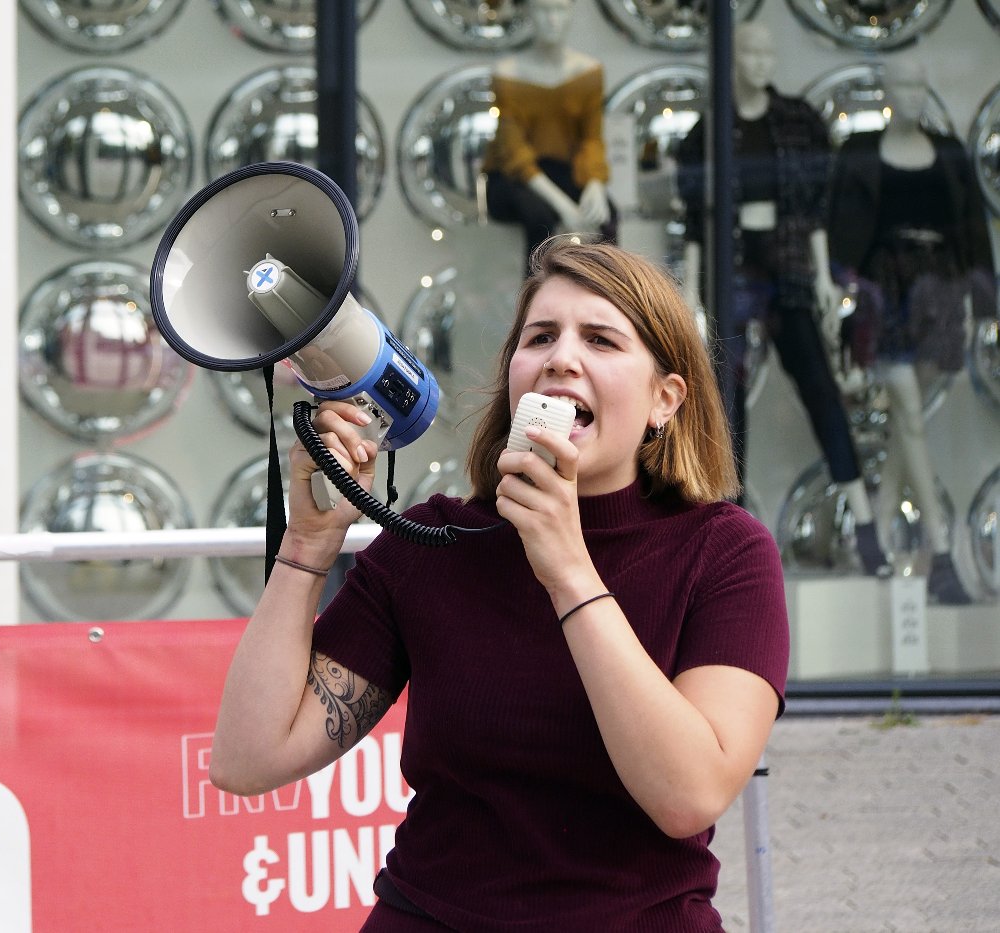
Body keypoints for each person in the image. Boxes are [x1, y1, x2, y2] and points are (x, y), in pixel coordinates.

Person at [210, 237, 789, 930]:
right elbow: (247, 759)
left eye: (601, 340)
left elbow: (688, 794)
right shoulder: (431, 546)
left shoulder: (723, 553)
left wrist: (568, 569)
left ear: (665, 400)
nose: (560, 358)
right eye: (540, 336)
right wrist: (306, 546)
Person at [676, 20, 890, 577]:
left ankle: (866, 525)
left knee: (820, 388)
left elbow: (812, 211)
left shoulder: (797, 123)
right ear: (732, 58)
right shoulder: (709, 133)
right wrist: (694, 300)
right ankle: (726, 527)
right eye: (749, 50)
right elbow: (697, 224)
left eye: (768, 50)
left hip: (790, 271)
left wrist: (822, 276)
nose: (760, 61)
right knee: (729, 405)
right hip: (733, 275)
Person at [826, 61, 998, 605]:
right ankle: (942, 551)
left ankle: (874, 537)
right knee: (909, 413)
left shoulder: (948, 151)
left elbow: (973, 225)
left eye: (921, 85)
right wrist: (838, 288)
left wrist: (984, 298)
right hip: (886, 292)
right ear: (886, 92)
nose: (913, 95)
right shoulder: (859, 150)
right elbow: (837, 223)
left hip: (939, 295)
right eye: (903, 85)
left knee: (909, 419)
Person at [481, 0, 616, 271]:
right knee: (540, 217)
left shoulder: (587, 72)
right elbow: (515, 152)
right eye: (543, 10)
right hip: (512, 178)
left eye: (559, 10)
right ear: (530, 14)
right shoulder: (507, 74)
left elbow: (592, 137)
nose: (552, 20)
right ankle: (534, 305)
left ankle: (609, 297)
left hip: (562, 170)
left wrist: (595, 183)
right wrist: (563, 205)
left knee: (607, 215)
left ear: (570, 14)